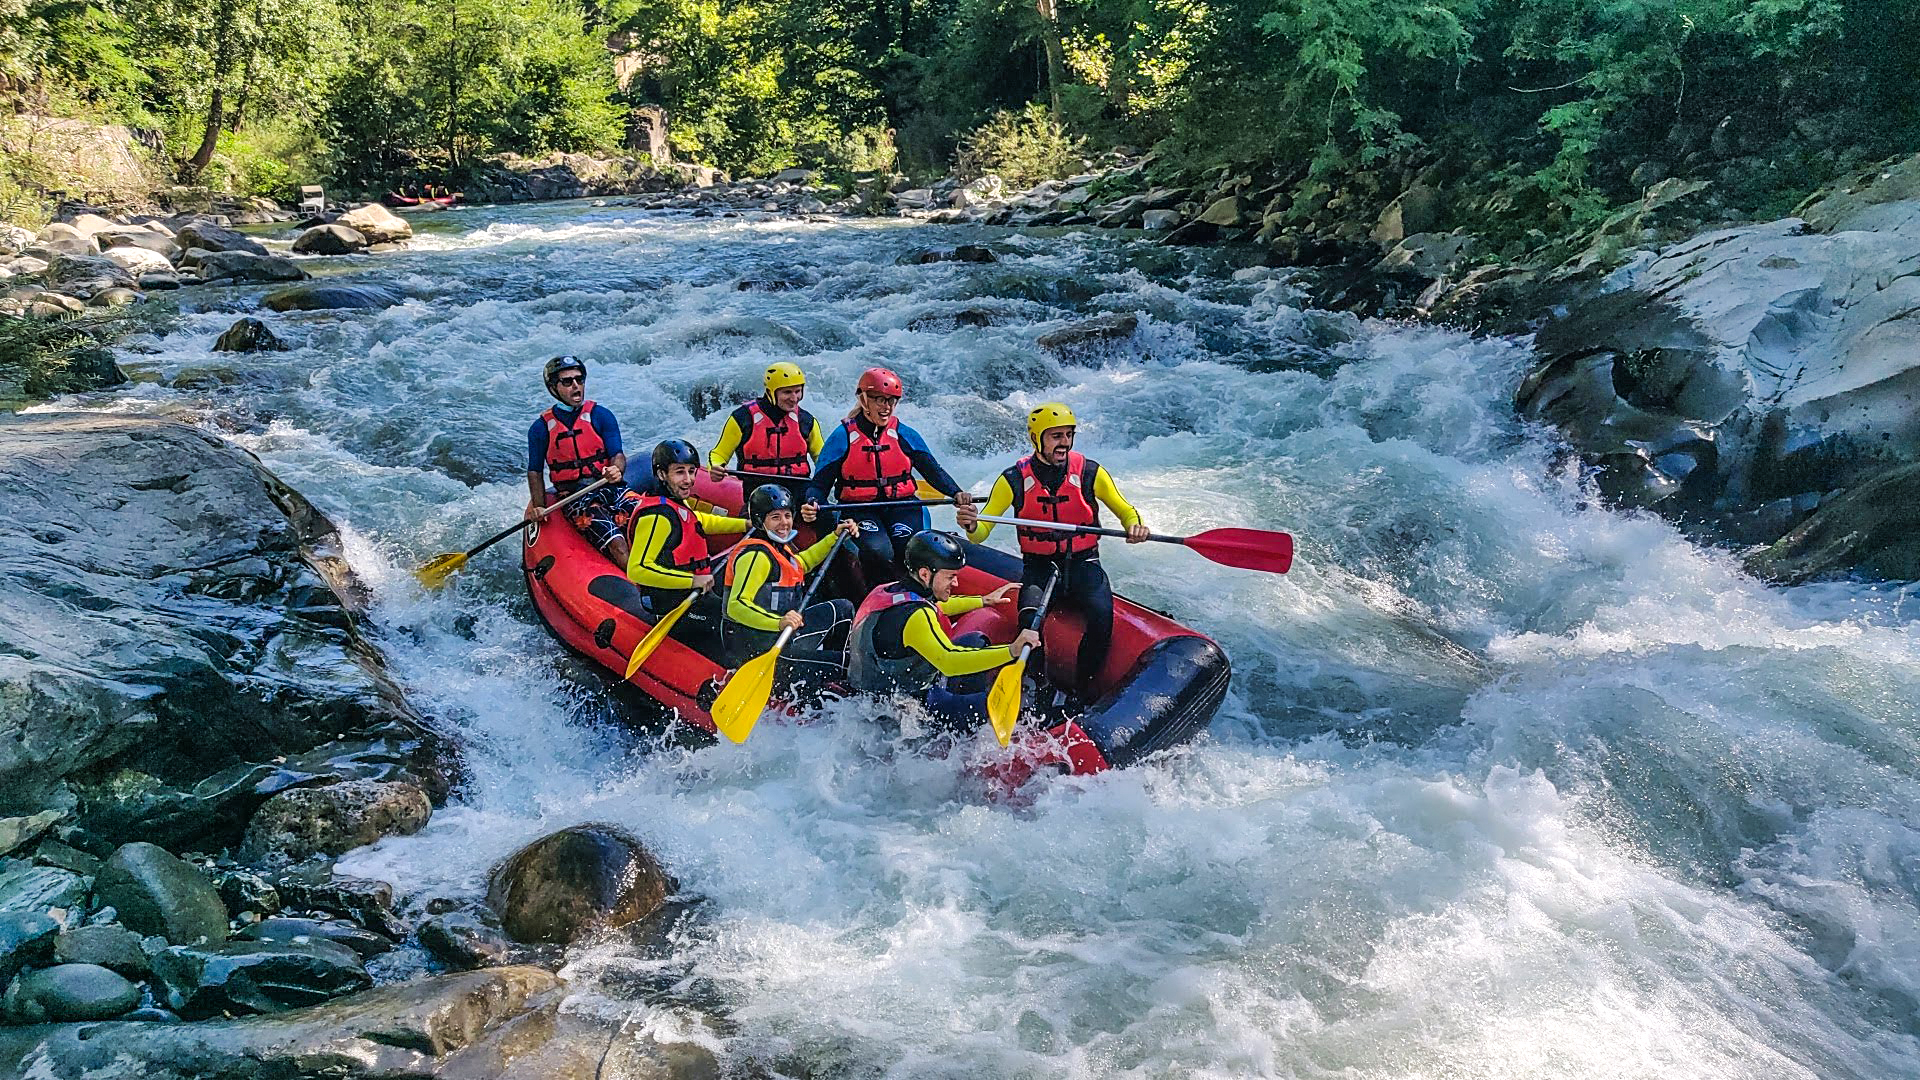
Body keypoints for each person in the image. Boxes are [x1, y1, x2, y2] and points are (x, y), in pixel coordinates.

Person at [955, 403, 1148, 704]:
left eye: (1068, 435)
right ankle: (1041, 689)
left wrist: (1134, 526)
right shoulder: (1013, 480)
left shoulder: (1089, 472)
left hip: (1084, 563)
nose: (1064, 443)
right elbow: (981, 532)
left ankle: (1081, 693)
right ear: (1037, 439)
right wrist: (970, 524)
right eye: (1056, 436)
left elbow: (1124, 509)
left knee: (1101, 619)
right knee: (1029, 624)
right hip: (1040, 566)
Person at [803, 367, 973, 596]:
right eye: (879, 400)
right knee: (878, 550)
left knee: (910, 548)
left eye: (892, 401)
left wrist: (956, 492)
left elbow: (934, 471)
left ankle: (918, 600)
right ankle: (878, 597)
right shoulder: (842, 437)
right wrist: (813, 502)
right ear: (863, 400)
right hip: (860, 509)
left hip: (902, 506)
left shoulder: (904, 434)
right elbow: (819, 484)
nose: (886, 408)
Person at [846, 530, 1030, 732]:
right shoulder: (915, 617)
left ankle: (961, 702)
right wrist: (1012, 651)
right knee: (990, 707)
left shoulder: (890, 590)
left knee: (976, 640)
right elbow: (949, 661)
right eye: (951, 576)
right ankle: (959, 738)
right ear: (925, 574)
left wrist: (983, 600)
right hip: (903, 709)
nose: (956, 583)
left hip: (881, 692)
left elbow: (936, 606)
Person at [720, 485, 862, 693]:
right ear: (760, 521)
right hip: (759, 649)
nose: (784, 523)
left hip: (783, 636)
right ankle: (815, 684)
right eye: (775, 517)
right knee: (846, 663)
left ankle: (819, 684)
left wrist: (834, 537)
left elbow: (801, 564)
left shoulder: (778, 547)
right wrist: (778, 622)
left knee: (843, 609)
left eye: (787, 515)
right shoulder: (756, 556)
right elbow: (736, 605)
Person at [627, 438, 748, 649]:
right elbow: (637, 570)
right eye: (680, 472)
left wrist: (745, 524)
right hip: (675, 606)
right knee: (737, 622)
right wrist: (692, 580)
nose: (689, 479)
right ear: (662, 474)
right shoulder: (656, 516)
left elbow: (700, 521)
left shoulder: (675, 503)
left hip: (692, 595)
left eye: (692, 471)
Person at [525, 356, 642, 568]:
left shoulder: (601, 415)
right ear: (553, 388)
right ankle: (646, 589)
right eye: (567, 382)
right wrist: (539, 506)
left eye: (579, 379)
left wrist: (617, 469)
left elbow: (617, 454)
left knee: (650, 517)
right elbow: (534, 472)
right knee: (617, 543)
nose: (576, 386)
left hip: (610, 488)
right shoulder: (540, 428)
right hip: (575, 498)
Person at [707, 361, 824, 504]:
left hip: (798, 488)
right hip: (759, 491)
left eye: (797, 391)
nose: (794, 398)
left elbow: (822, 458)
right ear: (770, 392)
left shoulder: (806, 421)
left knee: (827, 517)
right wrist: (716, 467)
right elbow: (719, 454)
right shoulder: (743, 418)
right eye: (787, 392)